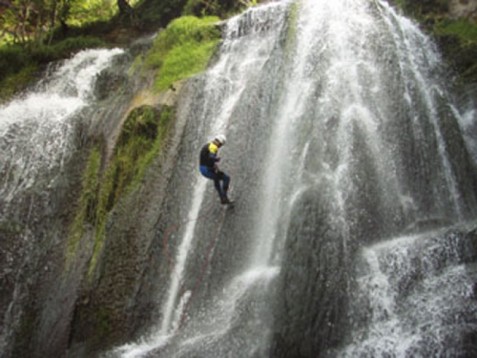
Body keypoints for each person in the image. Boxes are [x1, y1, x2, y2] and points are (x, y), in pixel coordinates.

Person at [199, 134, 232, 204]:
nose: (220, 146)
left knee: (216, 179)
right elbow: (211, 157)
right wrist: (216, 159)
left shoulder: (208, 145)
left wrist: (214, 166)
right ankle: (224, 196)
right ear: (218, 142)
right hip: (207, 170)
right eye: (220, 144)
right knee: (226, 178)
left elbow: (206, 158)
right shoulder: (213, 147)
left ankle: (222, 198)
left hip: (203, 169)